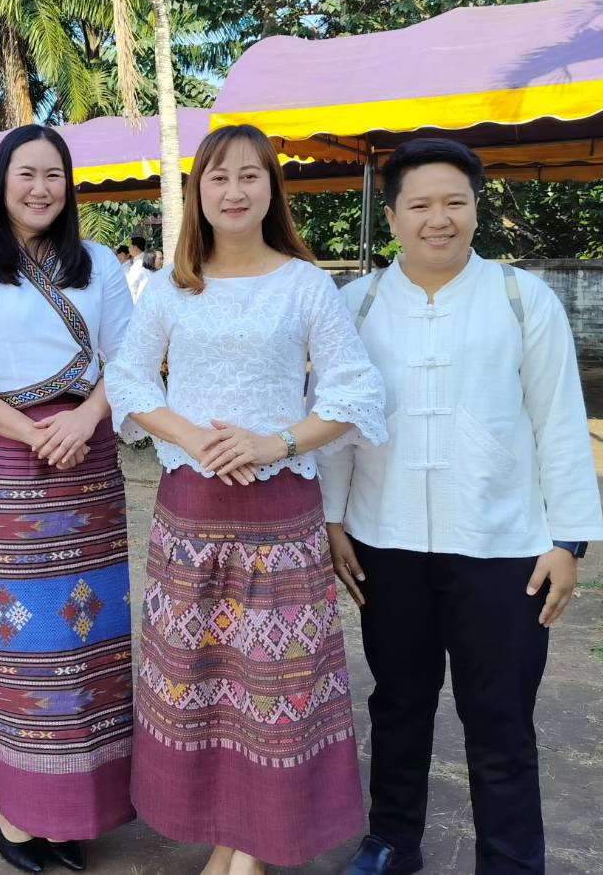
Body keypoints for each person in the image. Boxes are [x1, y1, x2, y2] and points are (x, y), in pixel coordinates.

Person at [320, 138, 603, 875]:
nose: (436, 219)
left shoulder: (521, 298)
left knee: (500, 718)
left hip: (503, 548)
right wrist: (332, 520)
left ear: (476, 208)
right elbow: (337, 426)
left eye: (453, 202)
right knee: (398, 704)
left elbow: (558, 420)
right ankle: (390, 842)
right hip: (387, 542)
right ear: (392, 215)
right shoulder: (359, 304)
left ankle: (509, 861)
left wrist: (567, 541)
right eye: (418, 204)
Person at [108, 125, 386, 875]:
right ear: (197, 192)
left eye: (248, 177)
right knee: (203, 678)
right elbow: (130, 380)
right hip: (190, 515)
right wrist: (194, 437)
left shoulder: (303, 284)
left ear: (271, 188)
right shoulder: (171, 287)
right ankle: (231, 839)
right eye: (217, 178)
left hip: (278, 519)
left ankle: (252, 847)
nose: (233, 192)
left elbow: (354, 392)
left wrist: (274, 444)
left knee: (273, 685)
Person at [0, 124, 136, 874]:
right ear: (1, 183)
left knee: (88, 641)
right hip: (5, 463)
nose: (40, 187)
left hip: (88, 455)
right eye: (26, 174)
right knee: (22, 644)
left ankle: (77, 805)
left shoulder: (100, 264)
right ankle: (18, 810)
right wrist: (33, 432)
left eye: (53, 174)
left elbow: (134, 357)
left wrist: (81, 419)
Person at [124, 235, 150, 302]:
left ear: (135, 247)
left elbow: (132, 286)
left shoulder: (139, 263)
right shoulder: (143, 260)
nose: (128, 248)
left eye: (130, 246)